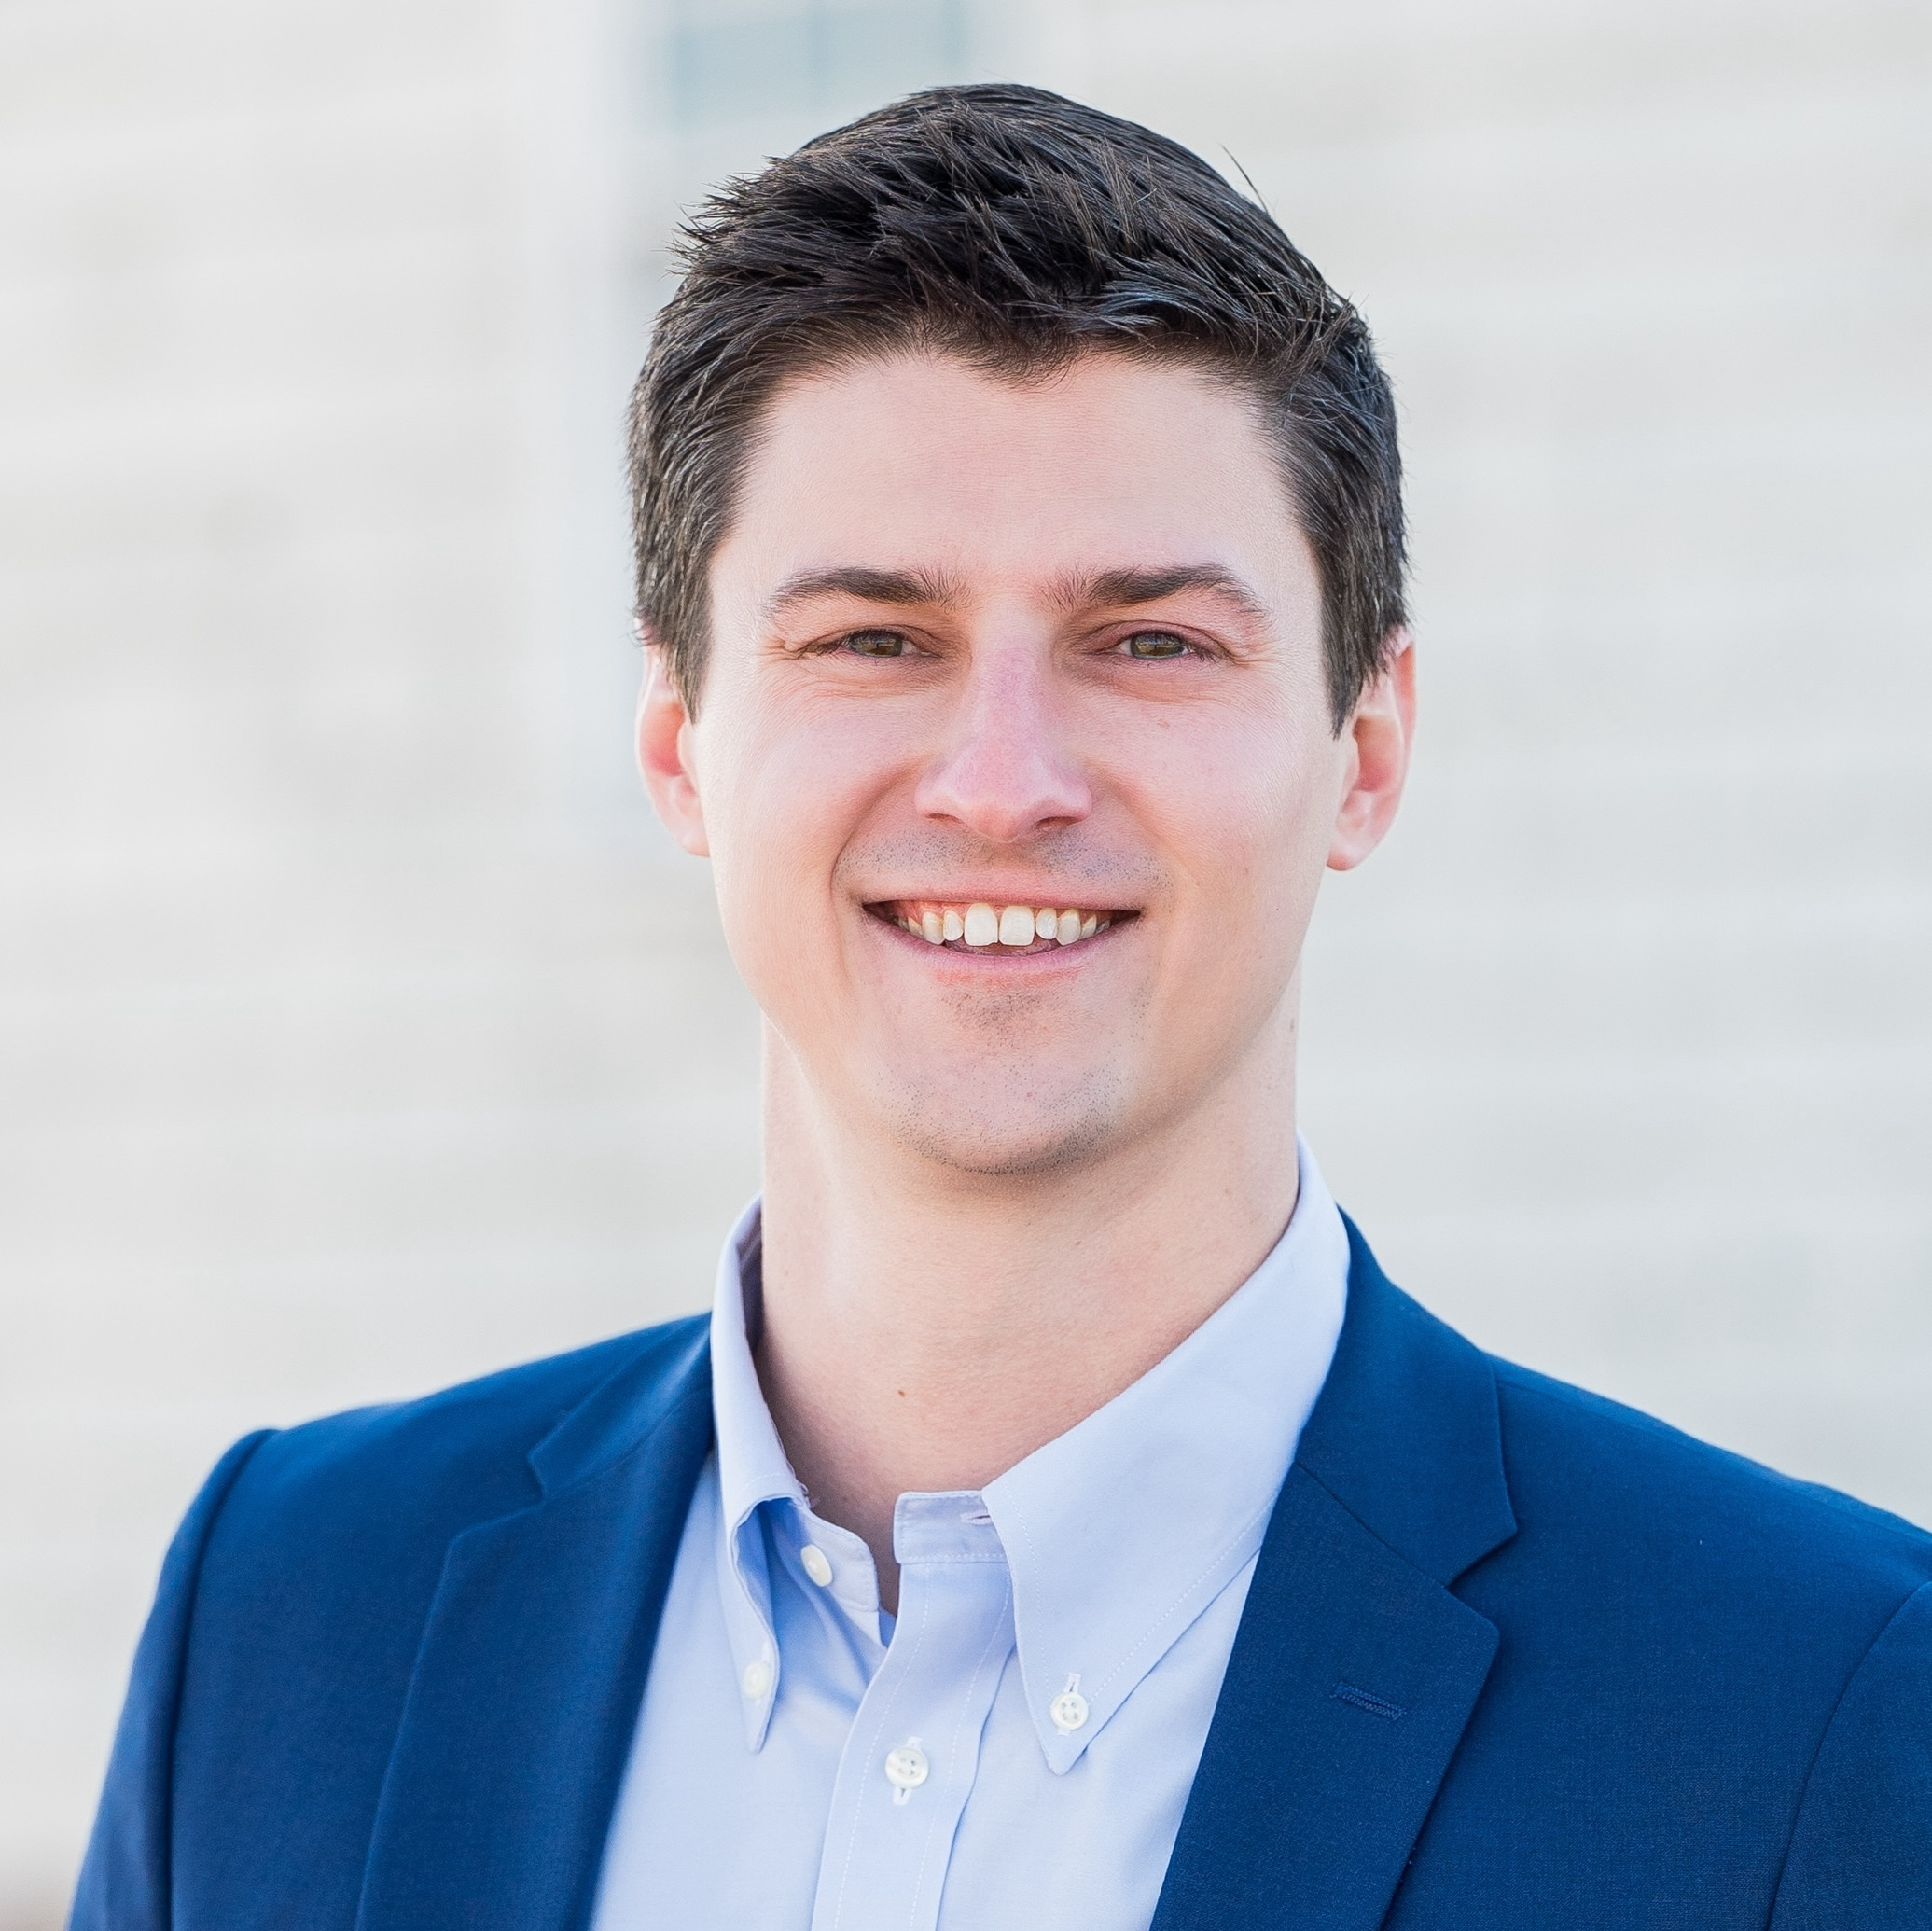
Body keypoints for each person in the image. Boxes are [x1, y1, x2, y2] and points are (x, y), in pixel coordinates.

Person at [72, 84, 1931, 1931]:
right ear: (678, 742)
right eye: (874, 638)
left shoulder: (1816, 1710)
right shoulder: (288, 1613)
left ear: (1365, 749)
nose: (1002, 781)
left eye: (1151, 641)